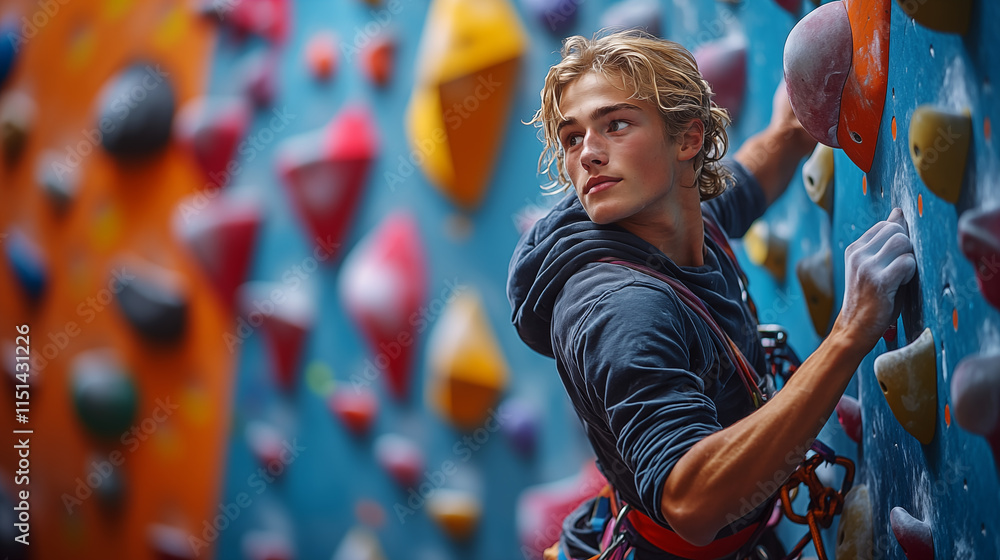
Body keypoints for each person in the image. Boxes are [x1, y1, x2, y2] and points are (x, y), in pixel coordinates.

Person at [507, 30, 916, 560]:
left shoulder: (666, 221)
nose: (587, 154)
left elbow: (747, 178)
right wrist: (850, 333)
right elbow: (693, 502)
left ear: (687, 141)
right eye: (571, 137)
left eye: (615, 124)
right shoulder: (621, 308)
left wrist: (795, 123)